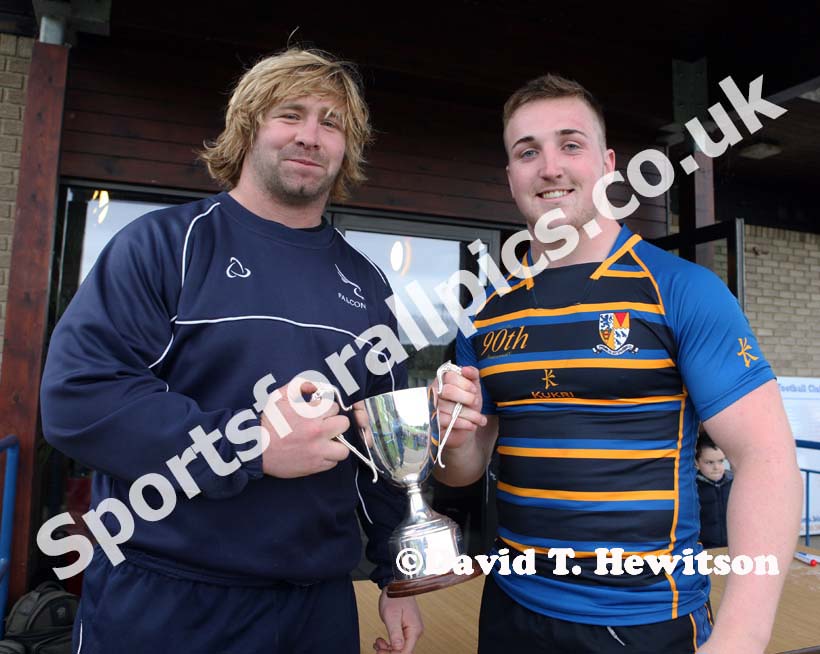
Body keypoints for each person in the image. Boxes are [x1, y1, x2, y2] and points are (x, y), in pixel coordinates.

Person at [40, 48, 422, 654]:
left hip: (316, 606)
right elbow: (78, 398)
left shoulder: (366, 282)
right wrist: (251, 446)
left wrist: (395, 570)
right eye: (290, 114)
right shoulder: (166, 246)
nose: (310, 136)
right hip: (167, 600)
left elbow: (381, 437)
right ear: (247, 127)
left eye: (332, 123)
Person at [435, 73, 802, 653]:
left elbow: (766, 457)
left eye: (570, 144)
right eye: (527, 152)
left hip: (645, 623)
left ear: (607, 163)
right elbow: (464, 471)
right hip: (510, 612)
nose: (550, 167)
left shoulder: (681, 289)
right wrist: (454, 442)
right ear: (511, 177)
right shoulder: (485, 313)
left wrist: (743, 634)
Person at [696, 429, 733, 549]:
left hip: (732, 548)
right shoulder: (693, 488)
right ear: (696, 462)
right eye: (709, 462)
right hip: (704, 550)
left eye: (721, 461)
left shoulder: (734, 483)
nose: (716, 467)